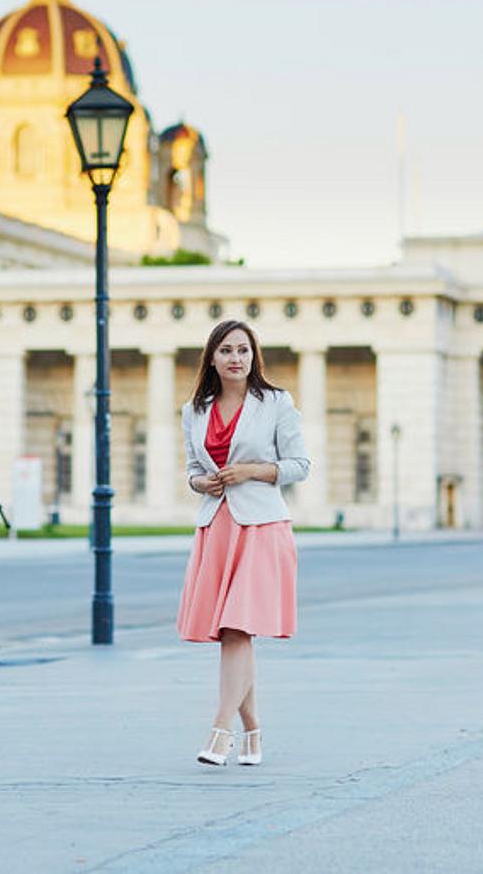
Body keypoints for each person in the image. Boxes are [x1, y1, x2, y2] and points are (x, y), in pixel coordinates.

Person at [177, 319, 311, 766]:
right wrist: (202, 483)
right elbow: (191, 469)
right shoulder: (194, 410)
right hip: (218, 526)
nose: (237, 358)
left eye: (244, 350)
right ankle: (253, 732)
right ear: (212, 358)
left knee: (236, 627)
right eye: (228, 350)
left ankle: (221, 732)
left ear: (254, 357)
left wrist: (251, 470)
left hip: (261, 526)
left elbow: (299, 464)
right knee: (235, 633)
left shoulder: (275, 402)